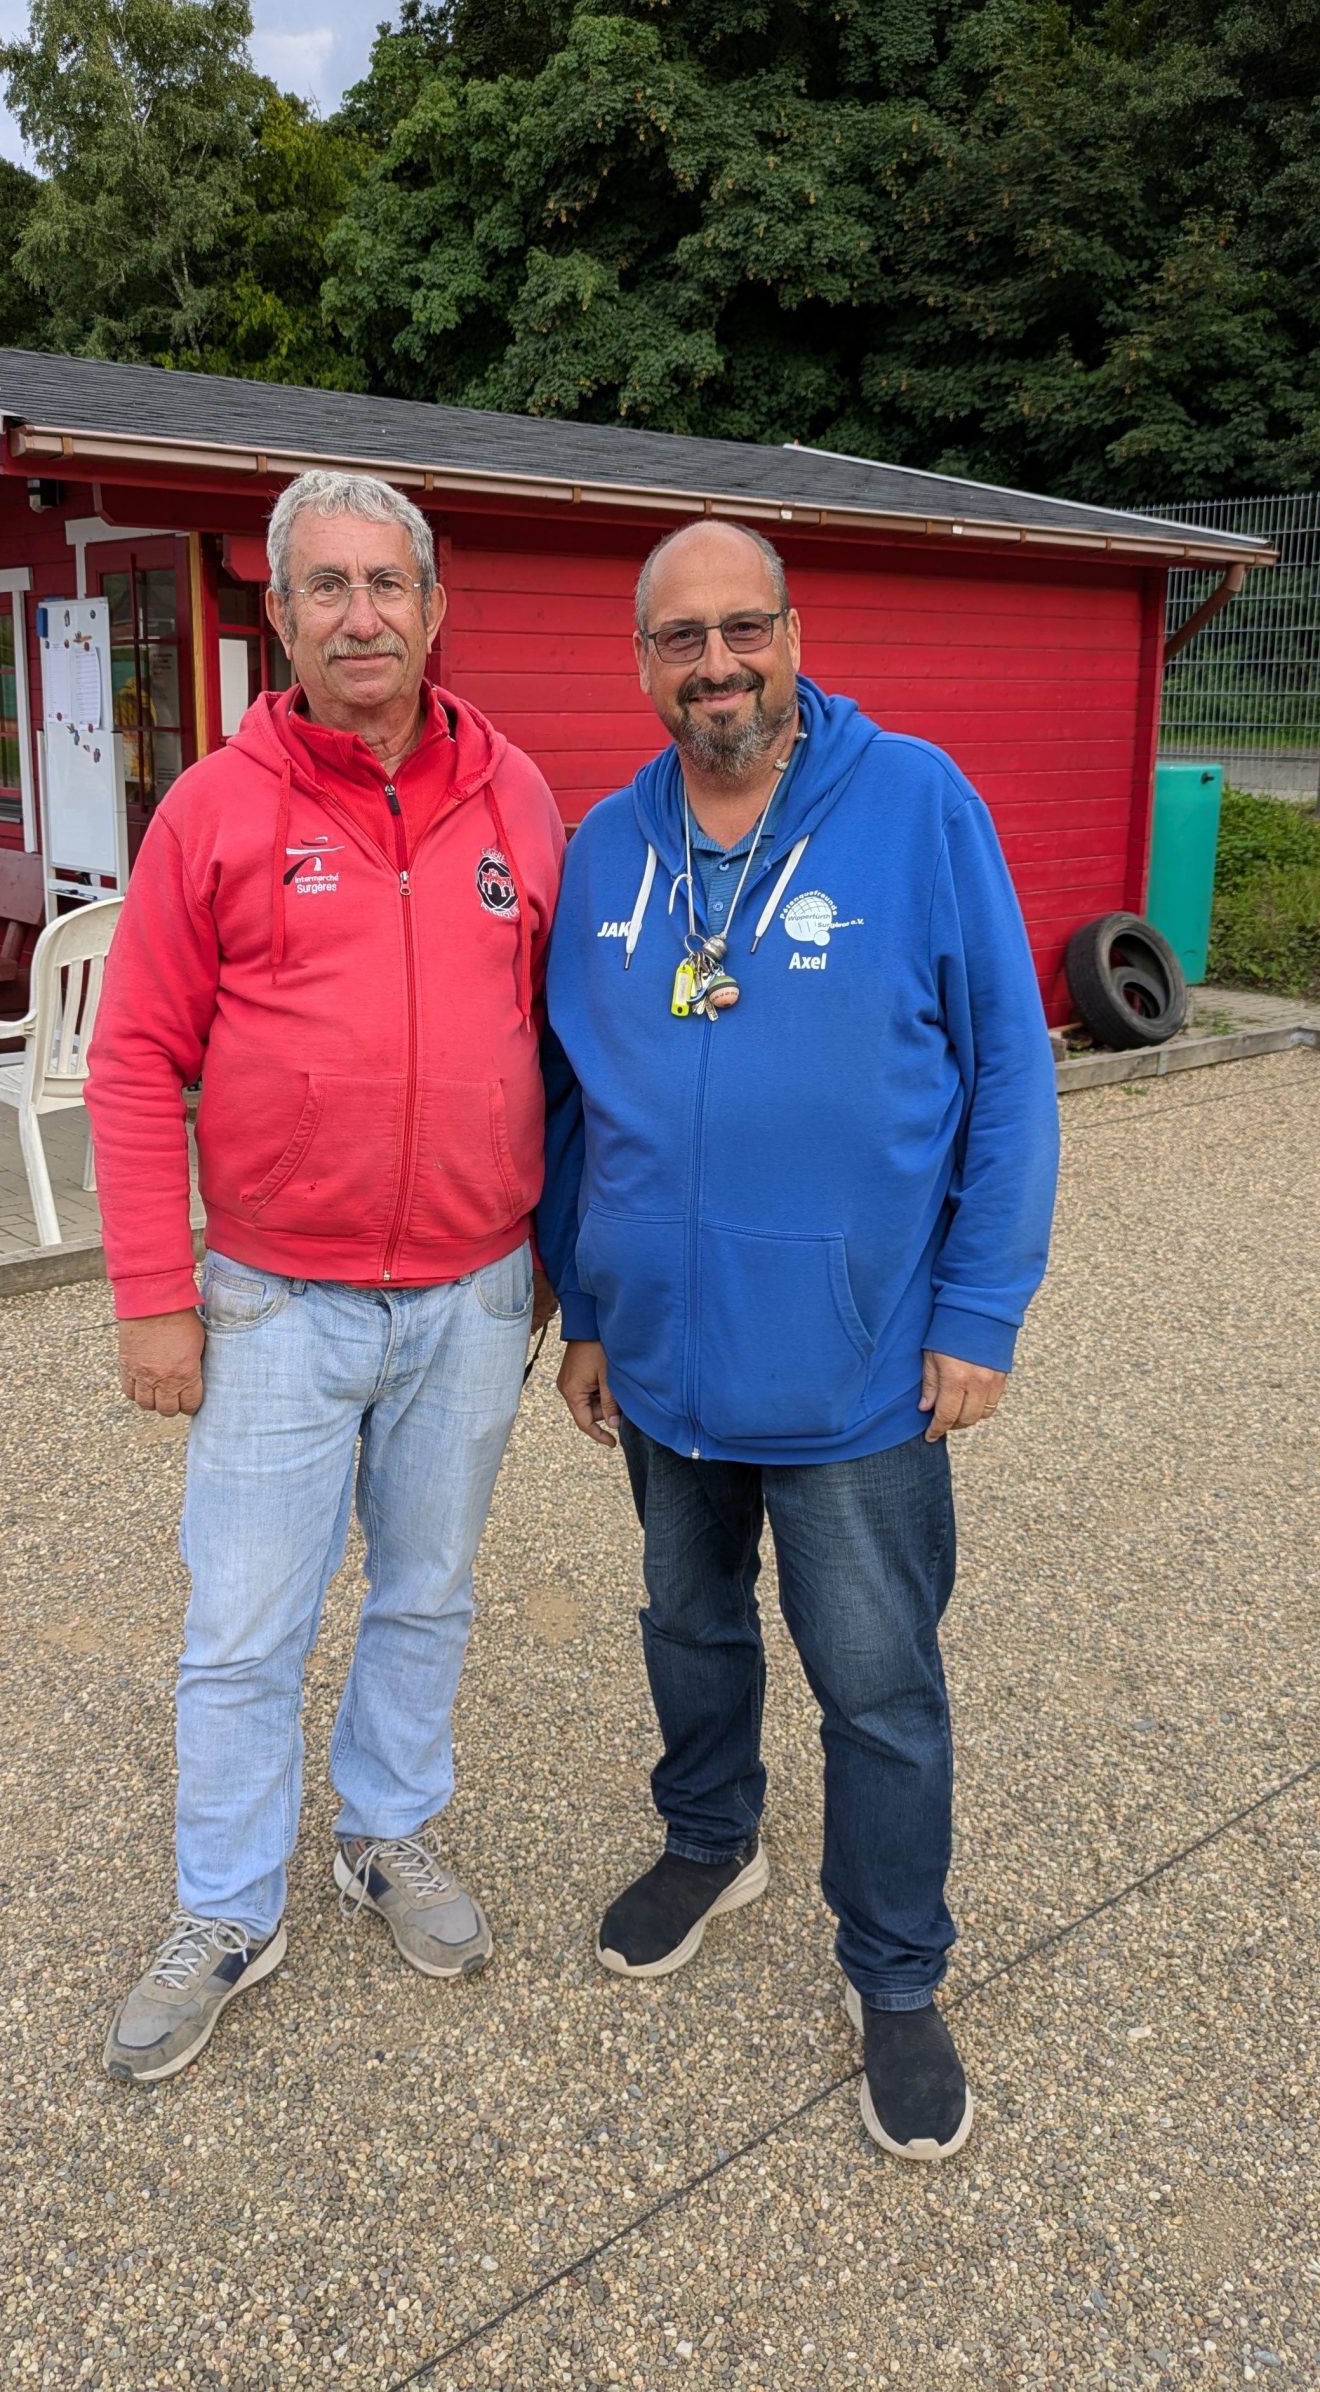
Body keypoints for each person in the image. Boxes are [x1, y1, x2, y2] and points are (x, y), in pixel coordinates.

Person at [538, 519, 1058, 2162]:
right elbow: (575, 1105)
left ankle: (895, 1973)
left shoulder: (916, 806)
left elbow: (1010, 1072)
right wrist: (586, 1309)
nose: (717, 665)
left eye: (742, 628)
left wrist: (978, 1309)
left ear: (794, 634)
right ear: (642, 662)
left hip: (858, 1371)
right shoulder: (607, 849)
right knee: (688, 1628)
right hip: (663, 1364)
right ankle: (713, 1838)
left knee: (880, 1688)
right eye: (680, 638)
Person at [86, 469, 564, 2083]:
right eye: (326, 587)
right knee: (243, 1626)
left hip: (475, 1292)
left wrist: (562, 1271)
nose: (361, 615)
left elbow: (559, 1047)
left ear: (434, 607)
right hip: (277, 1300)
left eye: (387, 583)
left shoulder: (517, 798)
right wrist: (154, 1292)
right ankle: (228, 1909)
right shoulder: (211, 810)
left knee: (427, 1589)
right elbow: (134, 1061)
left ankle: (387, 1832)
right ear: (279, 616)